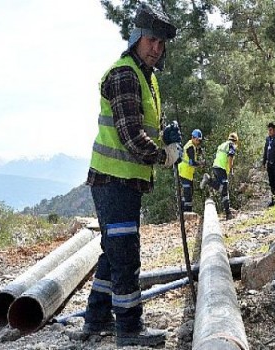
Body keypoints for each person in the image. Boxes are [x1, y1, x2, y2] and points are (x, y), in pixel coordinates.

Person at [83, 3, 180, 347]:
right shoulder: (125, 74)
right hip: (114, 181)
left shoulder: (147, 78)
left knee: (113, 251)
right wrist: (163, 156)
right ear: (137, 37)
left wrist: (165, 136)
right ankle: (129, 328)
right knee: (125, 254)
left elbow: (144, 126)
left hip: (121, 182)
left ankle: (95, 319)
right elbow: (130, 136)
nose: (157, 48)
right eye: (152, 40)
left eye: (161, 43)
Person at [200, 132, 238, 220]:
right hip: (221, 168)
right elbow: (230, 157)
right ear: (236, 141)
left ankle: (228, 212)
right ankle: (228, 213)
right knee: (224, 190)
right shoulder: (231, 145)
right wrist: (231, 170)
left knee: (222, 189)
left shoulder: (222, 144)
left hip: (216, 167)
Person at [178, 129, 205, 212]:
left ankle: (182, 212)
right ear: (193, 138)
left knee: (188, 192)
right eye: (197, 140)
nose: (198, 142)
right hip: (185, 173)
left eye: (199, 140)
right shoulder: (190, 147)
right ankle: (187, 213)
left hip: (186, 173)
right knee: (188, 193)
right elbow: (191, 162)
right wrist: (201, 164)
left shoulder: (191, 145)